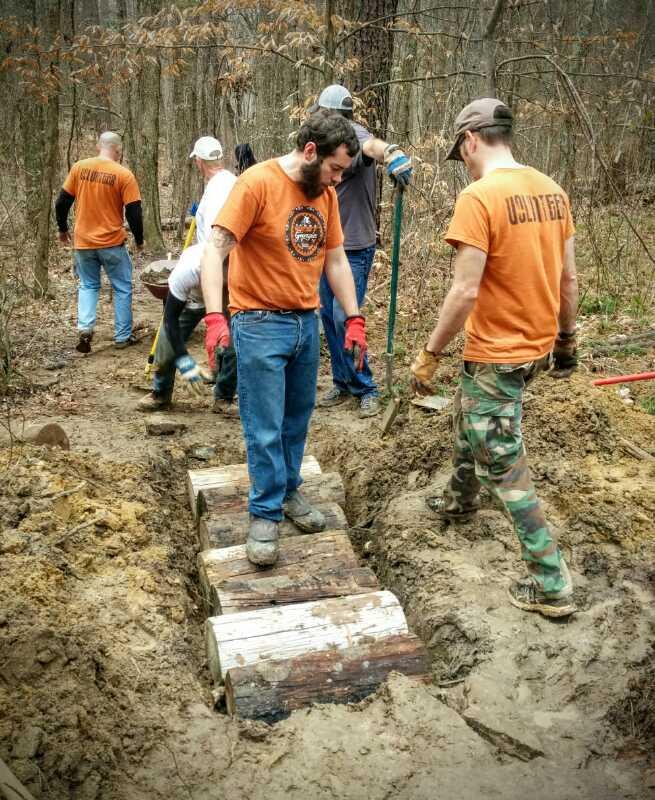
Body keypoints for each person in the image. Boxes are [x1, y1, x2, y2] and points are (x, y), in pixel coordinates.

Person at [409, 98, 579, 619]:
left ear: (470, 141)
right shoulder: (552, 190)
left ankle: (550, 582)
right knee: (471, 415)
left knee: (503, 461)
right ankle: (461, 498)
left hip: (497, 351)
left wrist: (430, 354)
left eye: (460, 152)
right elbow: (569, 279)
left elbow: (464, 291)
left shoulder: (478, 198)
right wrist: (567, 340)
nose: (463, 160)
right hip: (535, 347)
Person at [201, 110, 367, 566]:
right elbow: (215, 250)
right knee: (265, 425)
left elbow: (335, 260)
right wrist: (215, 317)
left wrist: (354, 318)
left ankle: (289, 491)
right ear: (310, 151)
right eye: (334, 168)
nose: (336, 180)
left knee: (297, 419)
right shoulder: (257, 183)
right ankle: (264, 512)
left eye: (342, 173)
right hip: (257, 323)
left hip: (304, 324)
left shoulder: (326, 196)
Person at [313, 85, 413, 418]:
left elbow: (372, 146)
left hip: (353, 247)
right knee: (328, 315)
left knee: (345, 316)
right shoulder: (327, 140)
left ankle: (366, 386)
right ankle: (343, 381)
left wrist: (393, 153)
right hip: (326, 248)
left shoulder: (351, 136)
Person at [138, 136, 238, 414]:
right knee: (170, 338)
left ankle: (224, 398)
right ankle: (160, 393)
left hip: (229, 290)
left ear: (198, 162)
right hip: (194, 292)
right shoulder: (191, 267)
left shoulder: (241, 265)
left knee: (234, 340)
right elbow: (169, 319)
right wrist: (184, 360)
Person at [55, 131, 143, 352]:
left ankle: (85, 328)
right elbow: (134, 212)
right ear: (118, 150)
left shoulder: (79, 168)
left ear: (98, 146)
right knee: (122, 287)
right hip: (112, 242)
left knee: (88, 285)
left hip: (83, 242)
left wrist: (62, 229)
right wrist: (139, 240)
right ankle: (122, 336)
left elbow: (62, 202)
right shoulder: (124, 175)